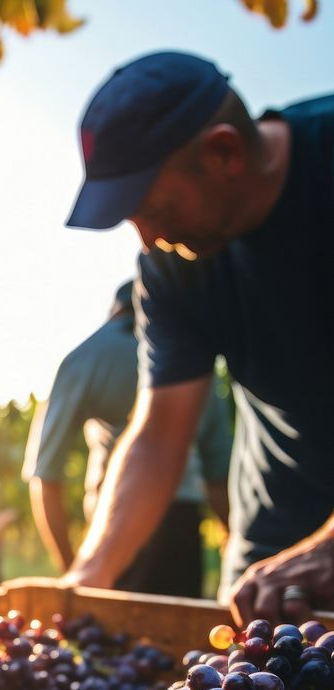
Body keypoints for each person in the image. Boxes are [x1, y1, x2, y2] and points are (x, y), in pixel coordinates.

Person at [63, 50, 334, 626]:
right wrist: (91, 572)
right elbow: (161, 435)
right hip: (272, 570)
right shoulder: (171, 263)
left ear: (224, 152)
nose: (149, 237)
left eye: (155, 208)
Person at [22, 279, 232, 596]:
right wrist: (234, 546)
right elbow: (219, 475)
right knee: (178, 637)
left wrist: (73, 569)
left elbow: (46, 475)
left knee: (111, 641)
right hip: (182, 525)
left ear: (114, 310)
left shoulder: (85, 357)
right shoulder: (195, 362)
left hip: (115, 524)